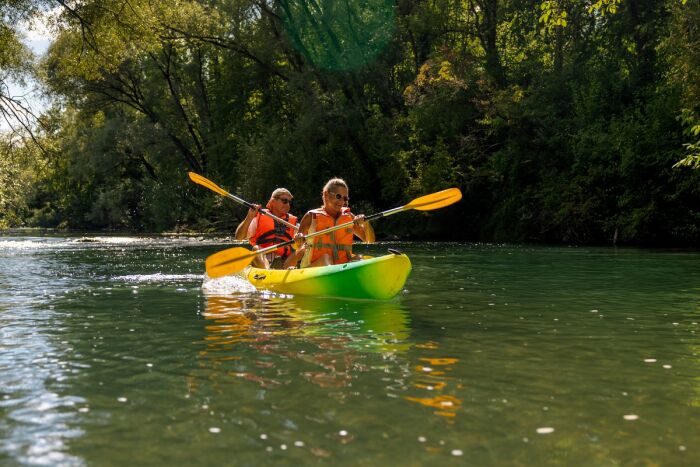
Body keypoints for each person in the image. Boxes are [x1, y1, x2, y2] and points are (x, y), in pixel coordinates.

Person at [290, 178, 374, 268]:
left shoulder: (349, 217)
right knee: (326, 258)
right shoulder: (311, 217)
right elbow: (296, 246)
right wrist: (298, 240)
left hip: (341, 267)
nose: (342, 201)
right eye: (338, 196)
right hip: (314, 268)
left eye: (345, 198)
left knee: (359, 258)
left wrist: (366, 223)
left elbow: (370, 241)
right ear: (326, 195)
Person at [235, 188, 299, 269]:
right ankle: (267, 272)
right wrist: (250, 216)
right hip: (263, 258)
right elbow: (239, 237)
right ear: (273, 201)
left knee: (300, 250)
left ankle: (290, 271)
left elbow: (298, 244)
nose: (287, 204)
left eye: (289, 202)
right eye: (284, 201)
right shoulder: (259, 217)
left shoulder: (293, 222)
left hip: (284, 260)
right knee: (256, 249)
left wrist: (299, 240)